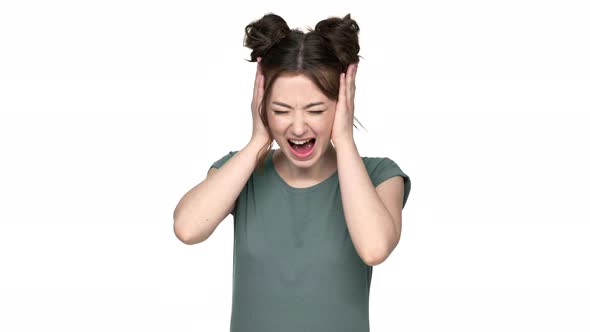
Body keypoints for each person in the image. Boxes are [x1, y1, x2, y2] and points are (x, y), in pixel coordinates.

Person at [173, 13, 412, 332]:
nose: (298, 127)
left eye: (315, 110)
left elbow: (374, 248)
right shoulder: (242, 171)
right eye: (280, 110)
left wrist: (344, 138)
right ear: (262, 107)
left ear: (342, 105)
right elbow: (188, 229)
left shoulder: (379, 174)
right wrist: (258, 140)